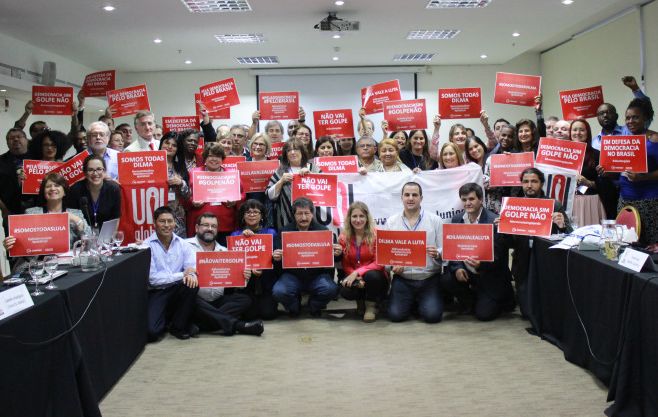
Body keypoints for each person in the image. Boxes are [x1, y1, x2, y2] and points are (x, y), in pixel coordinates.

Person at [439, 183, 515, 321]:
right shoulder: (457, 220)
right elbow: (453, 250)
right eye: (464, 199)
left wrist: (481, 264)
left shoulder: (494, 221)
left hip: (489, 275)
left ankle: (497, 299)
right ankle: (471, 301)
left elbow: (500, 257)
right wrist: (458, 268)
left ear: (480, 199)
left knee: (484, 315)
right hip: (468, 273)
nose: (467, 203)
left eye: (471, 199)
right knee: (446, 279)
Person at [186, 213, 264, 336]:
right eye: (205, 225)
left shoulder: (224, 251)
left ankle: (201, 324)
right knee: (188, 298)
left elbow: (236, 286)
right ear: (196, 228)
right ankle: (238, 325)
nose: (210, 229)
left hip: (217, 301)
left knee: (244, 299)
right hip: (195, 299)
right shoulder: (184, 245)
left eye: (214, 226)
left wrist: (244, 277)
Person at [508, 168, 572, 316]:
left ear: (542, 184)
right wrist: (502, 228)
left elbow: (570, 235)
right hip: (522, 261)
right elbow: (508, 243)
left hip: (546, 258)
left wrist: (562, 226)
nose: (529, 185)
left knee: (547, 310)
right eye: (525, 182)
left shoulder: (554, 205)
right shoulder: (513, 206)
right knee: (527, 313)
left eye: (534, 181)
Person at [271, 197, 341, 317]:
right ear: (294, 215)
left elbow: (335, 260)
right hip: (292, 276)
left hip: (317, 275)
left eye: (307, 213)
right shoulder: (284, 232)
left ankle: (313, 306)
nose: (303, 218)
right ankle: (294, 307)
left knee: (330, 289)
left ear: (312, 214)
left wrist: (338, 254)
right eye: (299, 214)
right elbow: (275, 260)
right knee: (279, 291)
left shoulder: (324, 232)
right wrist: (276, 257)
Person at [385, 182, 444, 323]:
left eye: (414, 195)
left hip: (429, 278)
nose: (410, 198)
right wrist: (393, 267)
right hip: (403, 279)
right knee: (395, 316)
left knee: (433, 317)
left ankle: (419, 303)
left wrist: (438, 253)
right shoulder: (391, 222)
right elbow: (386, 256)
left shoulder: (435, 220)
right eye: (407, 195)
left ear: (421, 198)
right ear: (401, 198)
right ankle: (413, 303)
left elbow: (445, 249)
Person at [144, 206, 199, 341]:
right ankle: (171, 320)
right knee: (152, 332)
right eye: (162, 221)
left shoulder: (183, 244)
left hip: (177, 289)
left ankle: (178, 327)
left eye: (170, 221)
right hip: (158, 292)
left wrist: (191, 275)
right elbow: (153, 279)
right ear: (154, 223)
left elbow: (191, 267)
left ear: (175, 223)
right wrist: (182, 275)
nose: (167, 225)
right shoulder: (146, 246)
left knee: (192, 285)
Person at [608, 98, 658, 245]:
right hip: (624, 199)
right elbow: (618, 170)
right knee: (626, 242)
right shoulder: (623, 140)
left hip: (649, 200)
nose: (630, 121)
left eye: (635, 117)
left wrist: (643, 178)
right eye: (628, 118)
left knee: (650, 243)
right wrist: (607, 171)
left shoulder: (654, 139)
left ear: (645, 118)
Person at [338, 201, 387, 322]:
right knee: (345, 290)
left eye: (361, 216)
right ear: (349, 218)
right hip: (355, 276)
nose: (358, 220)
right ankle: (360, 303)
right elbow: (346, 263)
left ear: (367, 218)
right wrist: (354, 276)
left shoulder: (376, 234)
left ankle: (371, 307)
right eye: (354, 216)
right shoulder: (343, 237)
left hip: (376, 277)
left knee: (372, 276)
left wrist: (358, 273)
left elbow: (379, 263)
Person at [230, 200, 279, 320]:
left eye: (256, 212)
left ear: (262, 215)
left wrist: (263, 268)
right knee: (249, 316)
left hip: (266, 280)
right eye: (248, 212)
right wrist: (243, 237)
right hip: (246, 283)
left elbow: (277, 260)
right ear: (243, 216)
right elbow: (232, 263)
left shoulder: (271, 233)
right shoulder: (235, 235)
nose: (252, 215)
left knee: (269, 314)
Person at [186, 143, 242, 245]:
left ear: (222, 158)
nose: (214, 159)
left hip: (226, 223)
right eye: (211, 156)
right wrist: (192, 201)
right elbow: (186, 195)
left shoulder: (232, 174)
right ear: (205, 158)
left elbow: (242, 194)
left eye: (217, 156)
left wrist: (235, 201)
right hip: (200, 223)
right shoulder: (193, 173)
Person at [22, 173, 90, 246]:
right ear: (43, 192)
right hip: (42, 257)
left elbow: (89, 243)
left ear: (64, 192)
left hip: (69, 256)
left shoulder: (77, 214)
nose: (52, 188)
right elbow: (25, 244)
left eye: (57, 185)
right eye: (48, 186)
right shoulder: (31, 213)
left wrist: (78, 221)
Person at [266, 139, 320, 231]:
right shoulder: (281, 171)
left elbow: (326, 191)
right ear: (285, 154)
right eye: (289, 150)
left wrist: (311, 175)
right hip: (287, 217)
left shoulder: (313, 168)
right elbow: (270, 196)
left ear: (302, 152)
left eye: (296, 149)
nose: (292, 152)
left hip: (313, 216)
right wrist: (281, 181)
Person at [593, 76, 652, 150]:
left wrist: (635, 89)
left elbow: (646, 108)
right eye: (601, 113)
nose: (605, 115)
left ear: (616, 116)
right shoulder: (593, 143)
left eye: (608, 112)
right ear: (597, 118)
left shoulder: (631, 129)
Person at [568, 119, 607, 225]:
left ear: (588, 133)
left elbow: (606, 185)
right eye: (574, 130)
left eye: (582, 130)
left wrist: (587, 182)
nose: (577, 133)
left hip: (590, 202)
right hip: (569, 203)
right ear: (570, 133)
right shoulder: (562, 154)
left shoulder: (597, 155)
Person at [68, 155, 121, 230]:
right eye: (90, 170)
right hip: (82, 235)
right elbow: (72, 219)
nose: (95, 173)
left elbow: (116, 218)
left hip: (106, 237)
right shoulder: (75, 190)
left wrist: (109, 239)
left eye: (99, 169)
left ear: (104, 171)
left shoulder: (113, 189)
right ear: (85, 173)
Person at [484, 124, 521, 214]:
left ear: (514, 139)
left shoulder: (519, 157)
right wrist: (490, 184)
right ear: (499, 136)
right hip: (493, 206)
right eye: (503, 135)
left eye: (510, 136)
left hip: (512, 205)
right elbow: (485, 180)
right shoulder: (491, 157)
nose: (506, 138)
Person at [160, 132, 191, 237]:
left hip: (177, 217)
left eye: (174, 145)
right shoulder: (150, 164)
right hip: (156, 214)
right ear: (161, 144)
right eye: (167, 143)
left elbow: (188, 196)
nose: (169, 147)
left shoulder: (180, 167)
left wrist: (182, 183)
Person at [0, 128, 31, 214]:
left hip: (37, 209)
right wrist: (3, 209)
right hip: (10, 210)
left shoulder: (38, 158)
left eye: (19, 136)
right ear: (7, 143)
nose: (16, 139)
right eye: (11, 138)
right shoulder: (1, 161)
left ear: (26, 140)